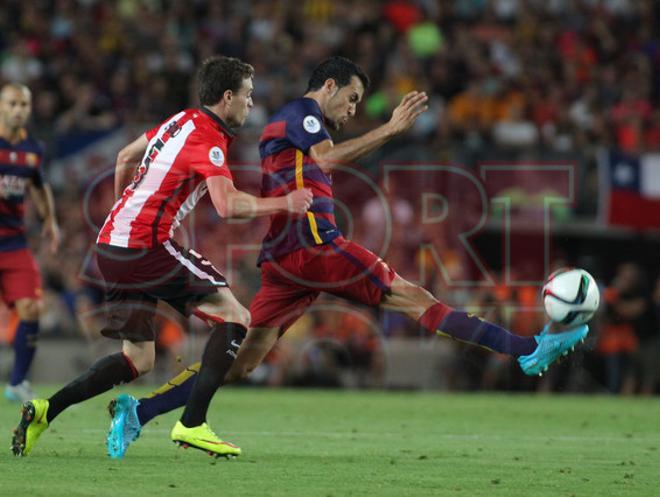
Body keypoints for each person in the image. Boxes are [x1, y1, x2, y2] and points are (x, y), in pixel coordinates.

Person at [108, 56, 590, 458]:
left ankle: (140, 413)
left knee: (240, 363)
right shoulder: (302, 112)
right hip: (315, 246)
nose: (353, 109)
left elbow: (317, 164)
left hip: (284, 258)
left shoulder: (290, 126)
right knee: (414, 296)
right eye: (353, 98)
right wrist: (392, 128)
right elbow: (328, 159)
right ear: (330, 86)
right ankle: (527, 351)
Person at [11, 55, 313, 458]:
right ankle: (193, 423)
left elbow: (123, 157)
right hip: (144, 246)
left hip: (111, 244)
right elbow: (227, 206)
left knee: (138, 357)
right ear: (227, 97)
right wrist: (284, 204)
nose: (251, 104)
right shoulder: (208, 137)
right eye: (248, 95)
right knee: (237, 317)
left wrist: (124, 208)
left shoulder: (179, 121)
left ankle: (47, 411)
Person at [0, 83, 60, 402]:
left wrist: (50, 219)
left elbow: (39, 185)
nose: (18, 110)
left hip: (13, 243)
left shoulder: (32, 149)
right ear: (1, 106)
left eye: (23, 104)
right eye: (12, 103)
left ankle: (17, 382)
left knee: (32, 307)